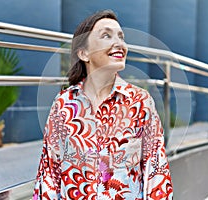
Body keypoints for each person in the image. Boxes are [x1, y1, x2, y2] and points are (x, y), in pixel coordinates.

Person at [33, 9, 173, 200]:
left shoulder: (140, 102)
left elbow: (157, 173)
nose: (120, 44)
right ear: (84, 53)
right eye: (106, 35)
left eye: (121, 37)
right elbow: (49, 175)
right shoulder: (63, 104)